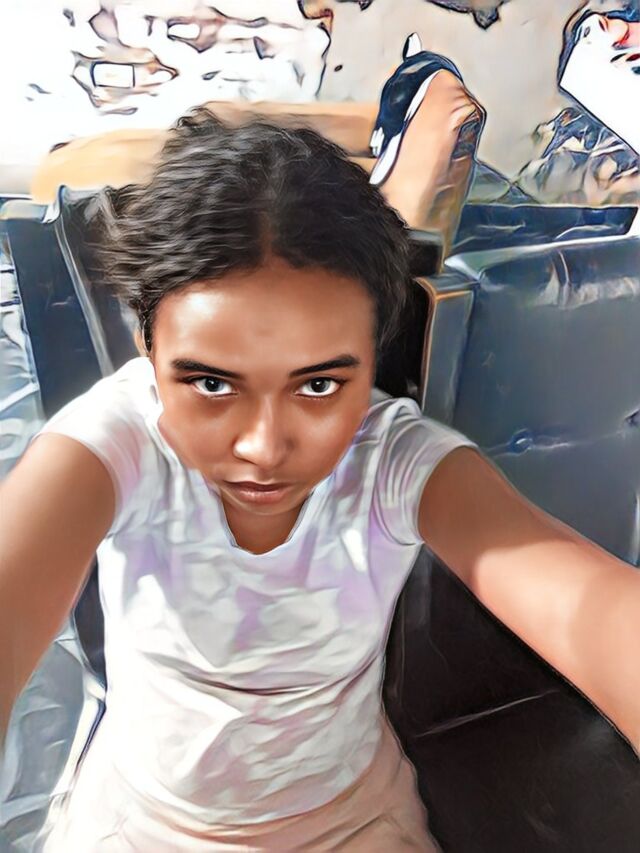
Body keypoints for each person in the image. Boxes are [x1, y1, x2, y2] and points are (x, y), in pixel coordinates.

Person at [1, 110, 638, 852]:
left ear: (371, 356)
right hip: (138, 823)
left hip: (350, 824)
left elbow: (587, 608)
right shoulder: (116, 440)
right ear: (149, 347)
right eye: (211, 383)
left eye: (319, 386)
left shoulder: (393, 460)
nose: (264, 447)